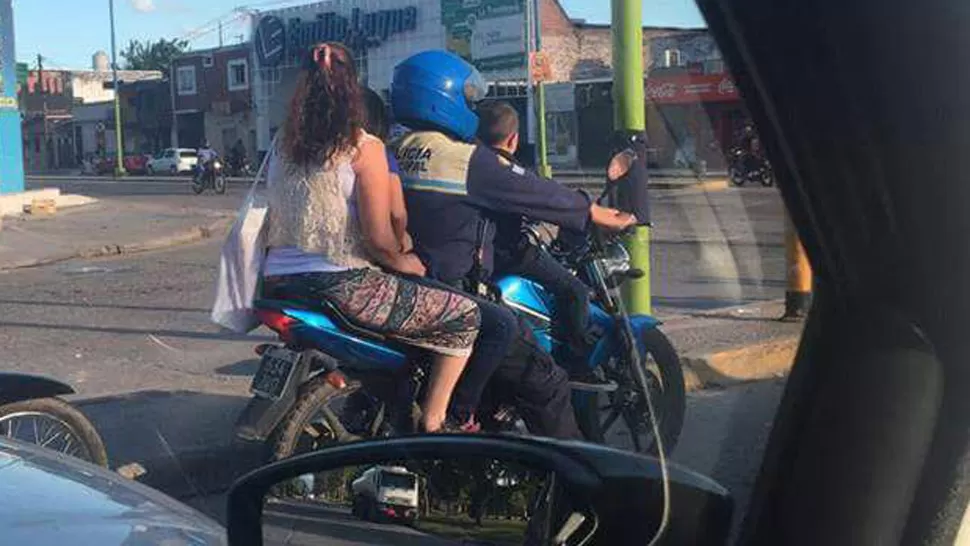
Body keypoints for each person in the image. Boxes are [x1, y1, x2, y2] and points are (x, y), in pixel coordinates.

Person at [389, 50, 636, 438]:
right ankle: (577, 488)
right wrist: (600, 214)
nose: (470, 106)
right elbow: (536, 192)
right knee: (548, 383)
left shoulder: (393, 149)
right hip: (452, 291)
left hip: (402, 286)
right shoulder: (463, 160)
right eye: (467, 99)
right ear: (444, 97)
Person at [260, 42, 482, 433]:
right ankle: (435, 424)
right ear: (354, 91)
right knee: (466, 315)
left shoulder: (281, 144)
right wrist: (408, 261)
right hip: (340, 285)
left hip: (278, 282)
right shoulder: (364, 147)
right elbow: (380, 239)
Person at [475, 101, 612, 391]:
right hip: (511, 255)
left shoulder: (471, 161)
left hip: (476, 258)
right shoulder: (506, 169)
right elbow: (546, 201)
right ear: (513, 139)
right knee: (573, 289)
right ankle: (575, 363)